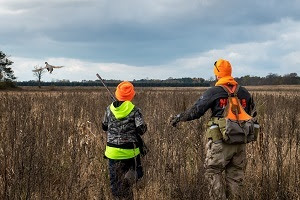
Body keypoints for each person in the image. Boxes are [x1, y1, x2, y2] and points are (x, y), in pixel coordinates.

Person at [170, 59, 257, 200]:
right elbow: (253, 115)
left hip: (220, 143)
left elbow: (196, 111)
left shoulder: (214, 92)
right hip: (240, 143)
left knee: (213, 172)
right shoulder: (244, 93)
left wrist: (179, 118)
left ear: (217, 74)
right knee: (235, 177)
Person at [102, 81, 147, 200]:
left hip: (112, 153)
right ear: (132, 95)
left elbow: (104, 126)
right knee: (138, 173)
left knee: (115, 185)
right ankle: (128, 181)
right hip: (130, 152)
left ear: (117, 94)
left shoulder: (109, 109)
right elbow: (142, 130)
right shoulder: (135, 110)